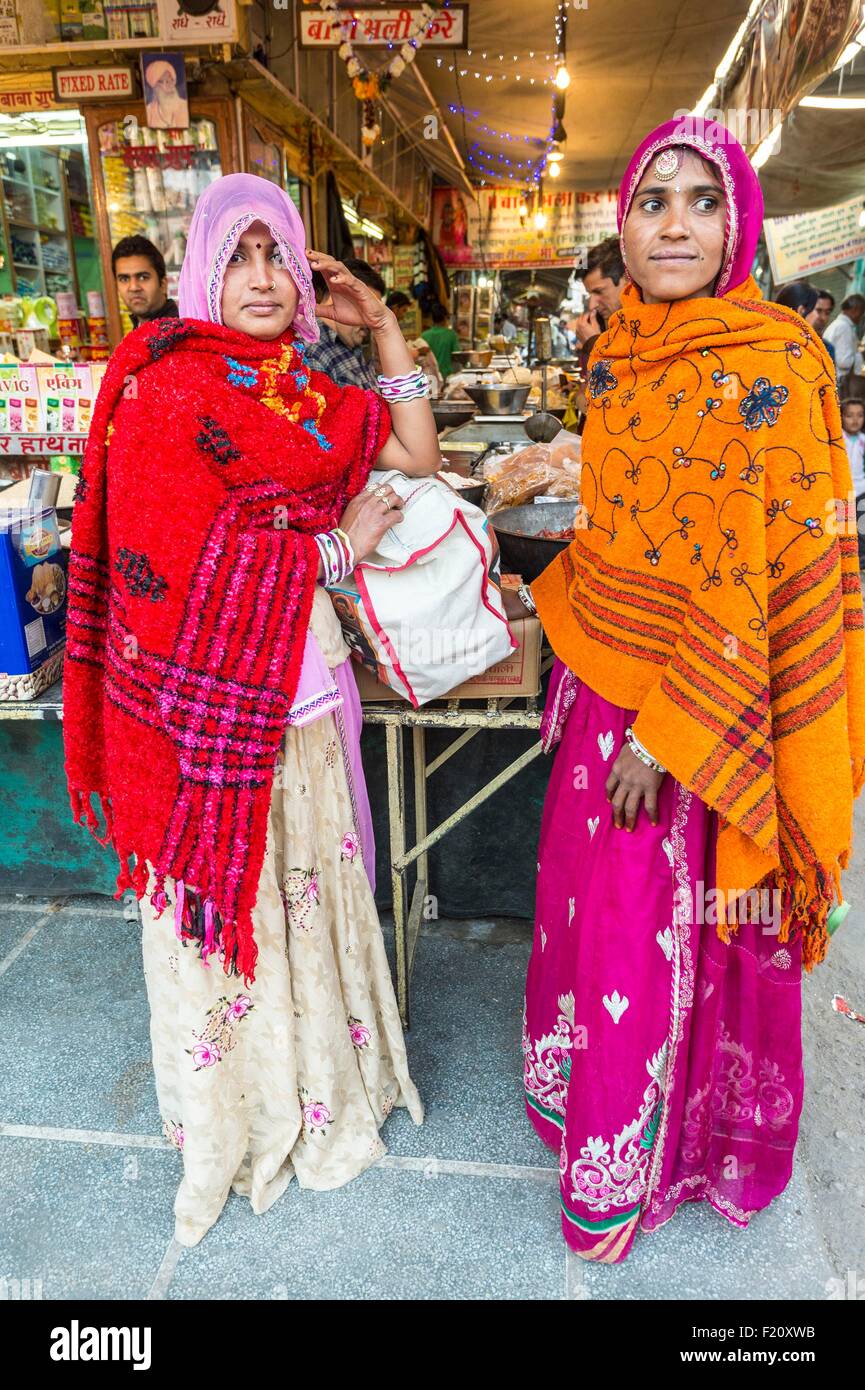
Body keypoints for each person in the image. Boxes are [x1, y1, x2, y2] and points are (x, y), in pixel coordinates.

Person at [63, 173, 442, 1247]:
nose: (266, 280)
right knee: (224, 904)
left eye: (279, 255)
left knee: (304, 894)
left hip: (303, 700)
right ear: (201, 272)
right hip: (200, 715)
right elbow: (167, 559)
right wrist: (333, 550)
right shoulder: (164, 389)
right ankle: (242, 1104)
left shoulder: (308, 396)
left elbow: (415, 452)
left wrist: (381, 323)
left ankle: (318, 1088)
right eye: (240, 257)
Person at [516, 120, 865, 1262]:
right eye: (651, 198)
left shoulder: (774, 364)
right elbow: (629, 536)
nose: (671, 221)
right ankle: (602, 1125)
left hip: (702, 718)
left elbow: (773, 567)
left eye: (699, 201)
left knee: (678, 929)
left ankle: (671, 1160)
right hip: (604, 695)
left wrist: (665, 739)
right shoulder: (620, 358)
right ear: (619, 223)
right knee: (600, 926)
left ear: (737, 228)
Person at [304, 257, 385, 391]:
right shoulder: (312, 352)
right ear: (336, 299)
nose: (370, 321)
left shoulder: (350, 341)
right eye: (365, 309)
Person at [112, 235, 178, 329]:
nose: (133, 287)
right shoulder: (139, 328)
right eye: (124, 279)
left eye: (143, 277)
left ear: (163, 284)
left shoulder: (178, 333)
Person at [573, 235, 625, 347]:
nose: (592, 305)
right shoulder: (604, 324)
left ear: (626, 279)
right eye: (590, 294)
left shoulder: (650, 323)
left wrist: (594, 343)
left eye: (599, 291)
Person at [842, 397, 865, 569]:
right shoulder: (838, 439)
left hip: (861, 490)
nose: (855, 420)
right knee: (843, 526)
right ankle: (846, 558)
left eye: (860, 415)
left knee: (862, 525)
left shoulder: (863, 440)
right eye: (850, 415)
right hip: (842, 490)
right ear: (841, 417)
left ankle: (861, 558)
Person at [824, 293, 865, 390]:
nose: (861, 316)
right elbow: (844, 362)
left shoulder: (837, 325)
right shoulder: (844, 327)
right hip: (842, 385)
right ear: (856, 310)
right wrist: (861, 354)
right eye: (862, 312)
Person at [421, 301, 460, 377]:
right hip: (447, 376)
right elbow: (457, 356)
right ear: (445, 317)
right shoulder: (451, 334)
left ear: (432, 318)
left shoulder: (424, 335)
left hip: (430, 376)